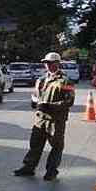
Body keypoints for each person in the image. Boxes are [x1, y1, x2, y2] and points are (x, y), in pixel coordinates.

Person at [14, 52, 75, 181]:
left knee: (56, 146)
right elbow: (35, 96)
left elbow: (69, 101)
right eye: (46, 63)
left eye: (51, 63)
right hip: (40, 118)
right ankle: (29, 167)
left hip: (56, 120)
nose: (48, 65)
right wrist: (35, 102)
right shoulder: (41, 80)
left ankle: (51, 171)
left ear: (58, 64)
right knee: (35, 144)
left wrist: (49, 105)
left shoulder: (65, 81)